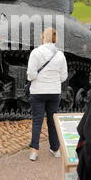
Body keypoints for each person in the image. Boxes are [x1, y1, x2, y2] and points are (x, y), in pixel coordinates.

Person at [27, 27, 68, 161]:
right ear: (55, 38)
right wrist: (53, 81)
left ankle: (34, 151)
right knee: (52, 121)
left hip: (38, 91)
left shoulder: (35, 53)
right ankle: (55, 149)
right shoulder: (60, 55)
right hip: (54, 92)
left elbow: (31, 74)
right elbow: (63, 76)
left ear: (43, 37)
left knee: (37, 121)